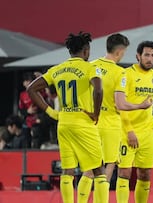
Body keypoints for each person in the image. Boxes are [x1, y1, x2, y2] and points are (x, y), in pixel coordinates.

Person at [26, 31, 109, 203]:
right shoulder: (90, 67)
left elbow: (31, 89)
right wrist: (96, 113)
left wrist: (50, 112)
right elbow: (99, 90)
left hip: (63, 123)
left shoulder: (57, 69)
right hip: (83, 122)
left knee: (68, 170)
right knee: (98, 170)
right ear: (86, 51)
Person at [79, 33, 152, 202]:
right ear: (119, 52)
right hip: (110, 126)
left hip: (90, 123)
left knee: (89, 169)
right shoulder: (120, 73)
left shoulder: (91, 66)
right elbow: (121, 104)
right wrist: (141, 105)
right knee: (108, 167)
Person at [116, 41, 153, 203]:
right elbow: (120, 105)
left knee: (145, 173)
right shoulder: (126, 74)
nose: (150, 59)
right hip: (126, 132)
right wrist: (129, 130)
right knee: (124, 172)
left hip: (147, 133)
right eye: (146, 55)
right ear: (138, 56)